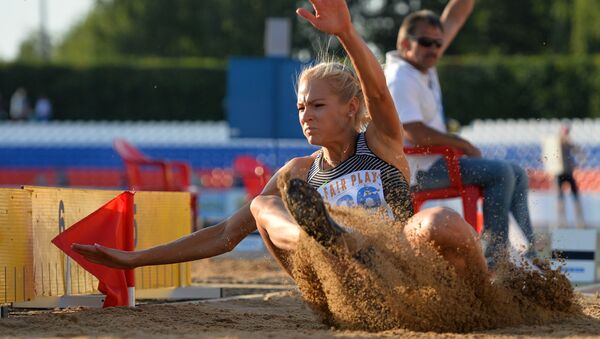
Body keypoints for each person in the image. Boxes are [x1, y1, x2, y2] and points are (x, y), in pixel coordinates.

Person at [73, 0, 487, 281]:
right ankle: (322, 238)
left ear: (349, 107)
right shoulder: (300, 172)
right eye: (301, 108)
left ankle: (487, 295)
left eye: (317, 106)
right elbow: (224, 235)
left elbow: (379, 91)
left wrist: (345, 32)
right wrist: (133, 260)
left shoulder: (380, 142)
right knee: (263, 204)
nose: (305, 116)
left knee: (437, 220)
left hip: (398, 270)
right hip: (340, 284)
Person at [384, 1, 537, 267]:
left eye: (438, 44)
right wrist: (462, 143)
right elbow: (415, 133)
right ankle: (494, 261)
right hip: (415, 172)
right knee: (501, 172)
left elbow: (454, 17)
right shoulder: (400, 77)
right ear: (405, 44)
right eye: (426, 42)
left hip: (433, 162)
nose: (434, 49)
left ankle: (532, 253)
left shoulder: (420, 64)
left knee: (516, 171)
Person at [556, 123, 585, 228]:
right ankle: (561, 222)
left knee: (575, 196)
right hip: (560, 173)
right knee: (560, 198)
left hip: (568, 172)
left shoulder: (568, 142)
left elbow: (578, 151)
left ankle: (579, 221)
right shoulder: (558, 142)